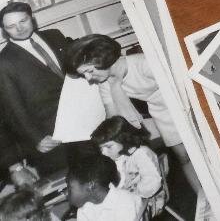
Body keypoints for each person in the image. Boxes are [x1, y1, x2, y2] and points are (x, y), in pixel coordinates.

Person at [64, 35, 199, 200]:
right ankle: (206, 201)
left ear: (103, 59)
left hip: (184, 103)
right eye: (83, 74)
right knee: (184, 157)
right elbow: (113, 120)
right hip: (161, 112)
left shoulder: (143, 63)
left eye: (89, 71)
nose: (88, 79)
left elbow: (184, 85)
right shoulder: (106, 83)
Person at [0, 2, 71, 171]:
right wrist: (37, 138)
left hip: (87, 120)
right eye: (11, 26)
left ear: (32, 18)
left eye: (23, 21)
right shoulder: (4, 61)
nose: (19, 28)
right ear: (4, 30)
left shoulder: (55, 35)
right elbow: (13, 108)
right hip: (52, 137)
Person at [90, 116, 164, 216]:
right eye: (101, 148)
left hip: (147, 202)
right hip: (126, 199)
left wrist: (130, 196)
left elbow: (152, 182)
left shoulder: (141, 153)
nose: (104, 153)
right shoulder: (116, 157)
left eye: (108, 147)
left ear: (124, 139)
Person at [66, 154, 140, 221]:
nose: (66, 193)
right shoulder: (84, 209)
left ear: (90, 186)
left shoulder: (124, 202)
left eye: (70, 188)